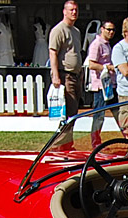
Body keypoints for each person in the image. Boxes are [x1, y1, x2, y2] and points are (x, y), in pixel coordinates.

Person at [49, 0, 84, 145]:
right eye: (71, 10)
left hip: (77, 75)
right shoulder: (58, 30)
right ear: (64, 11)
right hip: (65, 75)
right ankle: (59, 145)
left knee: (74, 112)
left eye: (76, 10)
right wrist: (56, 75)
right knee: (68, 113)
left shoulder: (76, 31)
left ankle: (67, 143)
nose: (74, 12)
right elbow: (53, 53)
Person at [86, 20, 117, 147]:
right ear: (102, 29)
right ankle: (95, 143)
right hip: (100, 86)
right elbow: (91, 64)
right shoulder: (96, 44)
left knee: (118, 111)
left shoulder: (107, 44)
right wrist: (107, 68)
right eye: (108, 29)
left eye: (113, 30)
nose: (111, 32)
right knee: (99, 115)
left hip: (109, 84)